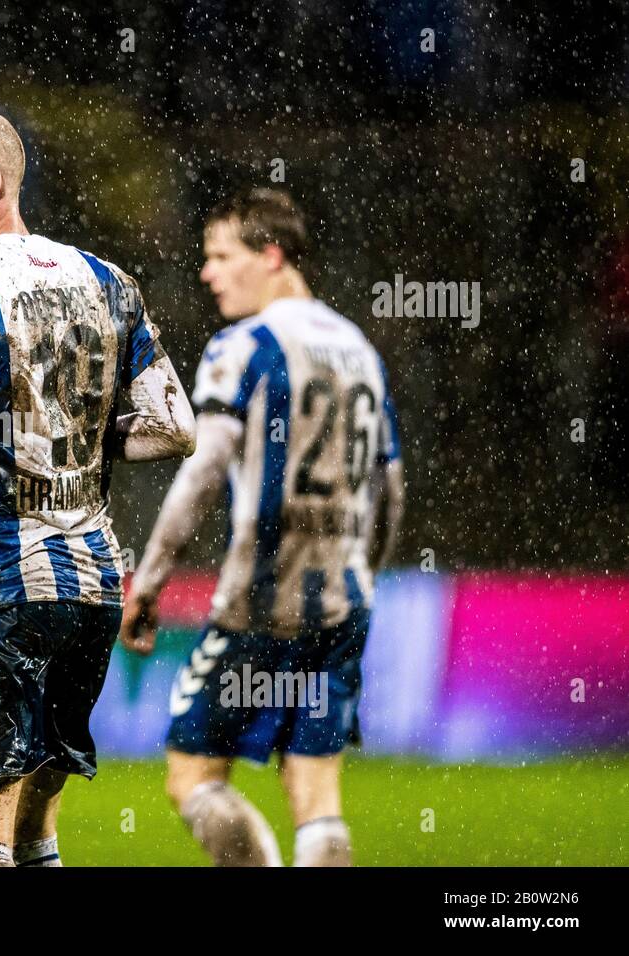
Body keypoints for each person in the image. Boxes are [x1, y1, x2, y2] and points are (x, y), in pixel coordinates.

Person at [0, 109, 196, 867]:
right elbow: (175, 424)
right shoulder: (108, 281)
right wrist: (71, 439)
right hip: (90, 591)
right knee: (34, 839)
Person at [121, 188, 405, 866]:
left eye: (221, 256)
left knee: (192, 775)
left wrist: (151, 582)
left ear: (271, 255)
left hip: (260, 605)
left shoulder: (243, 346)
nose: (207, 273)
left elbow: (201, 472)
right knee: (316, 789)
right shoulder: (360, 349)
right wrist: (368, 575)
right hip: (344, 603)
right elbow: (390, 488)